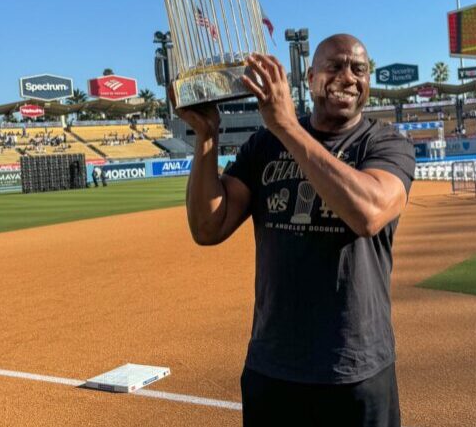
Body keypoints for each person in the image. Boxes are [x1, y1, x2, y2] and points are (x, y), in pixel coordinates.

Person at [176, 34, 415, 427]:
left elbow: (368, 213)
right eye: (334, 66)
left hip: (354, 366)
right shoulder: (264, 145)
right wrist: (207, 137)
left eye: (359, 69)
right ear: (310, 76)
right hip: (274, 367)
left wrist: (286, 125)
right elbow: (208, 226)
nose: (348, 77)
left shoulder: (385, 143)